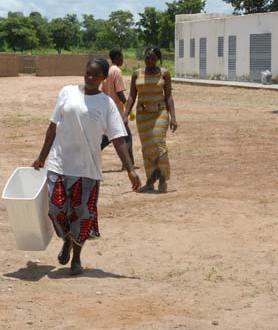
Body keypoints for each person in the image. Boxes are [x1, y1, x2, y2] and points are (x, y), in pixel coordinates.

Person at [33, 57, 141, 275]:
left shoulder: (106, 104)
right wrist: (42, 157)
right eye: (87, 73)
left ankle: (76, 258)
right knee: (56, 210)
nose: (90, 78)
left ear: (103, 78)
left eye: (95, 75)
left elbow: (118, 138)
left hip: (87, 170)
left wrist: (130, 168)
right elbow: (52, 127)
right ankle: (66, 239)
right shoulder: (67, 92)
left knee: (83, 216)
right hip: (59, 164)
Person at [123, 47, 178, 193]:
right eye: (147, 57)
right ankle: (150, 181)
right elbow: (131, 96)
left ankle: (162, 178)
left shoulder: (164, 74)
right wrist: (126, 114)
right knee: (147, 147)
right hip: (143, 115)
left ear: (158, 59)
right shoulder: (137, 74)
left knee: (158, 143)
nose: (150, 61)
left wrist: (173, 117)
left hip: (160, 113)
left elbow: (169, 97)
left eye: (153, 58)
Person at [99, 48, 135, 169]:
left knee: (110, 136)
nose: (123, 59)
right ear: (118, 57)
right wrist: (127, 105)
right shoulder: (117, 71)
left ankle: (90, 153)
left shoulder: (107, 71)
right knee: (127, 137)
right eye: (122, 57)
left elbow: (102, 91)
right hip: (117, 111)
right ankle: (128, 164)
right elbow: (119, 91)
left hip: (108, 109)